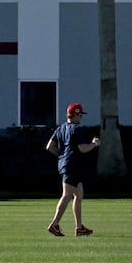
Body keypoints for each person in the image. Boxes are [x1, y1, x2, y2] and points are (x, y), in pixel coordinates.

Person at [45, 102, 99, 237]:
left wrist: (61, 156)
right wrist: (94, 144)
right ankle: (54, 224)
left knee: (79, 194)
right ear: (76, 114)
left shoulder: (61, 128)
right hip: (72, 165)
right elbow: (82, 148)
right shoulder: (77, 129)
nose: (81, 118)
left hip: (67, 164)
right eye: (80, 115)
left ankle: (79, 227)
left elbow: (49, 146)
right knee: (67, 195)